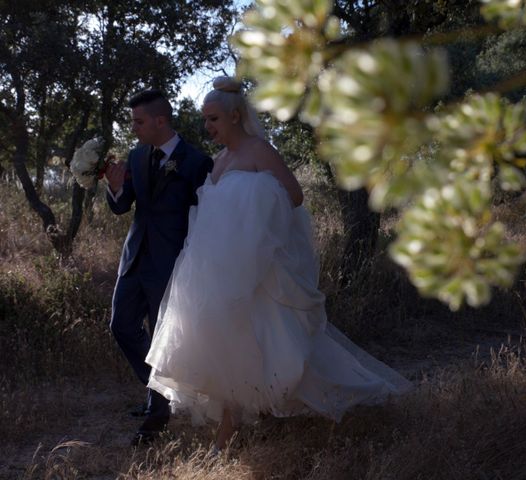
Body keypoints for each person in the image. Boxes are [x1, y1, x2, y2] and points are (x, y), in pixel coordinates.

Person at [145, 77, 412, 453]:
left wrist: (255, 204)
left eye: (214, 119)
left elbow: (294, 195)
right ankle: (231, 428)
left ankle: (340, 401)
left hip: (259, 269)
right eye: (206, 119)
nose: (208, 127)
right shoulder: (220, 160)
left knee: (271, 343)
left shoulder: (259, 151)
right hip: (219, 269)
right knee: (226, 343)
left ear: (236, 116)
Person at [104, 89, 213, 445]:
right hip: (134, 258)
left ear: (159, 120)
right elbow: (123, 208)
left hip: (171, 262)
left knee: (164, 335)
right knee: (121, 326)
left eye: (138, 121)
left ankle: (156, 414)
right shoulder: (136, 157)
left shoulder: (198, 162)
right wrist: (116, 188)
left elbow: (207, 219)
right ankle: (158, 392)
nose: (133, 128)